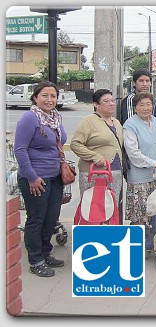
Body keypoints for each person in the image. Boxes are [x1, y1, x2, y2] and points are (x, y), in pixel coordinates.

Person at [14, 80, 67, 277]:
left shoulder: (55, 118)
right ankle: (35, 260)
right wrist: (32, 177)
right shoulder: (30, 118)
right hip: (36, 178)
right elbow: (19, 150)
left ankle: (46, 254)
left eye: (53, 96)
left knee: (50, 218)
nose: (49, 99)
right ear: (35, 97)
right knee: (36, 219)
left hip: (55, 177)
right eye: (44, 95)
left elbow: (60, 142)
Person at [123, 92, 156, 249]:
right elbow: (134, 154)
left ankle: (151, 244)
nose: (146, 108)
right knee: (139, 215)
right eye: (141, 105)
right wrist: (155, 163)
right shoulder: (130, 125)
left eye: (148, 104)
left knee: (154, 212)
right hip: (139, 177)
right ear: (135, 108)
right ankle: (135, 247)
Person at [70, 89, 124, 203]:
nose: (111, 103)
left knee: (111, 207)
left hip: (115, 173)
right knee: (92, 208)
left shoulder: (116, 122)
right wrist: (95, 157)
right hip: (95, 173)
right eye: (106, 101)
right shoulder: (89, 121)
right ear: (96, 104)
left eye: (112, 100)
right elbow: (75, 144)